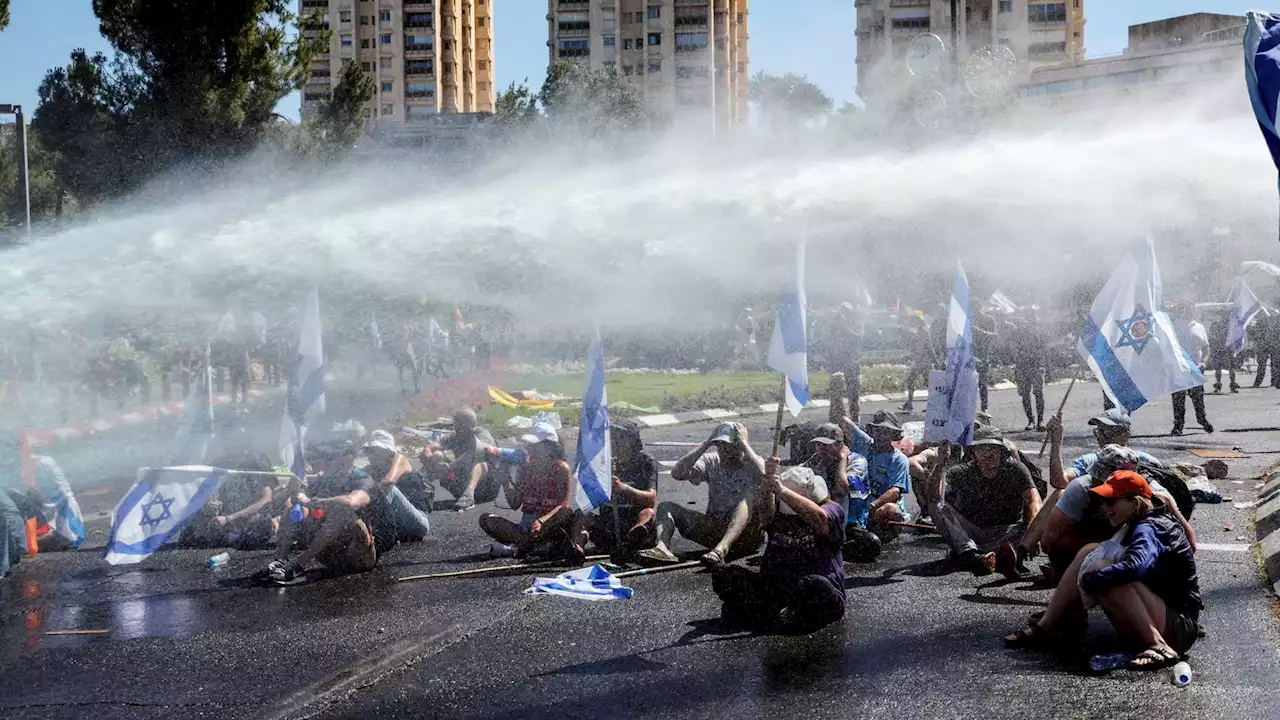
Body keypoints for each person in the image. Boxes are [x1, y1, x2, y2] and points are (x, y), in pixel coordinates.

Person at [1004, 470, 1201, 669]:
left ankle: (1158, 645)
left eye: (1111, 501)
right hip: (1163, 615)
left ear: (1135, 502)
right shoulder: (1137, 520)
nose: (1105, 508)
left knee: (1103, 571)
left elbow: (1136, 567)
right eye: (1103, 501)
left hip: (1179, 629)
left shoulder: (1150, 527)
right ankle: (1047, 626)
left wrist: (1093, 578)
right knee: (1089, 553)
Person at [711, 462, 846, 634]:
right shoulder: (777, 512)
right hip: (779, 588)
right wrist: (769, 487)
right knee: (723, 574)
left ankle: (782, 616)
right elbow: (766, 515)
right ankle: (773, 612)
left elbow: (820, 519)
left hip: (817, 591)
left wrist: (782, 491)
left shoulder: (833, 510)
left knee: (813, 585)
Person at [1036, 442, 1196, 584]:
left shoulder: (1153, 495)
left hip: (1134, 549)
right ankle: (1066, 581)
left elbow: (1188, 539)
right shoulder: (1081, 487)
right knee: (1068, 546)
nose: (1096, 484)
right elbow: (1049, 541)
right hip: (1103, 539)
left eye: (1110, 500)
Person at [264, 450, 398, 586]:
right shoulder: (324, 479)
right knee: (295, 506)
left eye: (336, 462)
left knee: (344, 511)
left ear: (348, 462)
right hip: (333, 554)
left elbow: (353, 502)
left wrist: (312, 502)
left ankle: (298, 564)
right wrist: (292, 492)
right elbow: (275, 502)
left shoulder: (363, 480)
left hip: (363, 554)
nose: (329, 466)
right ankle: (281, 560)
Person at [640, 422, 765, 566]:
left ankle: (721, 550)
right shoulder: (712, 460)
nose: (724, 450)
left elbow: (764, 475)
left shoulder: (753, 462)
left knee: (745, 500)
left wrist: (745, 444)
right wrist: (706, 444)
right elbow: (678, 473)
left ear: (739, 446)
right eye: (720, 445)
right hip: (716, 529)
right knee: (665, 507)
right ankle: (662, 548)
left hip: (747, 537)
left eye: (729, 446)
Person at [926, 426, 1042, 578]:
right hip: (972, 532)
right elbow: (934, 496)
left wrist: (1033, 535)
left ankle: (987, 556)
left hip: (1007, 532)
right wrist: (939, 464)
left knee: (1035, 522)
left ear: (1002, 451)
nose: (988, 454)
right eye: (982, 449)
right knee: (936, 506)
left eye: (993, 448)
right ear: (973, 452)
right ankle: (972, 555)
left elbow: (1034, 500)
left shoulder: (1016, 469)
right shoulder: (961, 472)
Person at [478, 422, 587, 563]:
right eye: (530, 445)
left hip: (549, 523)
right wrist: (505, 482)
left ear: (549, 447)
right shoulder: (526, 468)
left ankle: (524, 547)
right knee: (487, 519)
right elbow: (514, 503)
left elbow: (563, 506)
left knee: (573, 514)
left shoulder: (560, 468)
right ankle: (534, 547)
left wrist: (542, 521)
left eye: (535, 445)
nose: (530, 449)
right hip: (526, 527)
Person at [584, 419, 658, 559]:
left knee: (648, 513)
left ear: (632, 440)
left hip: (632, 521)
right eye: (612, 436)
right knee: (582, 516)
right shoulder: (603, 462)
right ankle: (576, 550)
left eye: (620, 437)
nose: (615, 441)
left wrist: (624, 488)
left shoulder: (646, 462)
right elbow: (592, 500)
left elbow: (651, 499)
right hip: (609, 524)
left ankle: (630, 543)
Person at [837, 410, 911, 541]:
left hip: (877, 506)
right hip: (859, 502)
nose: (880, 436)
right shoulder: (865, 444)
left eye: (885, 432)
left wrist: (871, 507)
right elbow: (843, 422)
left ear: (893, 434)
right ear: (872, 431)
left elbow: (895, 492)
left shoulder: (899, 459)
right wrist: (837, 397)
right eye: (878, 431)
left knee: (890, 509)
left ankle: (865, 528)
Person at [357, 430, 432, 541]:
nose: (371, 455)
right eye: (370, 450)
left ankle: (369, 528)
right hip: (397, 526)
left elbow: (388, 482)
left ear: (388, 451)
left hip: (417, 523)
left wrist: (361, 498)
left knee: (387, 489)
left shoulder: (400, 460)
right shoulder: (371, 468)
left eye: (376, 450)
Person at [419, 408, 498, 511]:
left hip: (486, 488)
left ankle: (469, 496)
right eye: (456, 422)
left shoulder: (481, 434)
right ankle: (419, 489)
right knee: (437, 455)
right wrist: (431, 460)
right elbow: (429, 448)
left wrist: (450, 467)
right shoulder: (455, 436)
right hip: (461, 483)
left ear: (470, 424)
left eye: (460, 422)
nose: (456, 426)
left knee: (481, 464)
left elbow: (478, 452)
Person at [1170, 304, 1213, 436]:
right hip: (1179, 368)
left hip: (1196, 369)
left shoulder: (1199, 327)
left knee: (1198, 397)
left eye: (1189, 308)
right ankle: (1178, 425)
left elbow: (1206, 348)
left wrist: (1204, 362)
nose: (1186, 311)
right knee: (1178, 398)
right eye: (1184, 308)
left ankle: (1202, 420)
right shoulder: (1173, 326)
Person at [1011, 312, 1047, 432]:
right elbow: (1014, 347)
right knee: (1025, 394)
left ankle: (1040, 420)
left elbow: (1044, 349)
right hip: (1023, 366)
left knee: (1038, 393)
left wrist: (1043, 364)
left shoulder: (1040, 332)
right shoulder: (1020, 332)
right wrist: (1017, 362)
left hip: (1036, 365)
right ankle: (1030, 420)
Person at [901, 313, 937, 412]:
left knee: (926, 383)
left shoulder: (923, 332)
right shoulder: (919, 332)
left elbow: (929, 347)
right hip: (919, 362)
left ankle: (927, 404)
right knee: (912, 380)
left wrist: (935, 361)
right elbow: (918, 349)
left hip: (924, 363)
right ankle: (910, 402)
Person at [1207, 313, 1239, 394]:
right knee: (1220, 368)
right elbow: (1211, 336)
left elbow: (1235, 336)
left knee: (1231, 368)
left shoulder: (1231, 325)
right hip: (1220, 349)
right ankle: (1219, 385)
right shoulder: (1216, 324)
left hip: (1227, 349)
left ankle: (1232, 385)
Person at [1254, 309, 1280, 389]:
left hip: (1273, 345)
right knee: (1264, 365)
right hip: (1266, 345)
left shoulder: (1275, 322)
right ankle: (1259, 382)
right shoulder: (1263, 321)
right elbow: (1257, 333)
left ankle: (1274, 381)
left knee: (1274, 365)